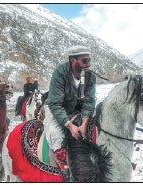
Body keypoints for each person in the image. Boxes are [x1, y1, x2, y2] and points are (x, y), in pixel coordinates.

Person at [43, 45, 96, 175]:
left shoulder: (89, 77)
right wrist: (70, 126)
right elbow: (55, 104)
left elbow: (89, 101)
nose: (88, 64)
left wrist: (84, 124)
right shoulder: (59, 73)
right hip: (58, 108)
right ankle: (65, 171)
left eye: (89, 60)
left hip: (79, 111)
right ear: (73, 60)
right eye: (84, 61)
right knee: (55, 134)